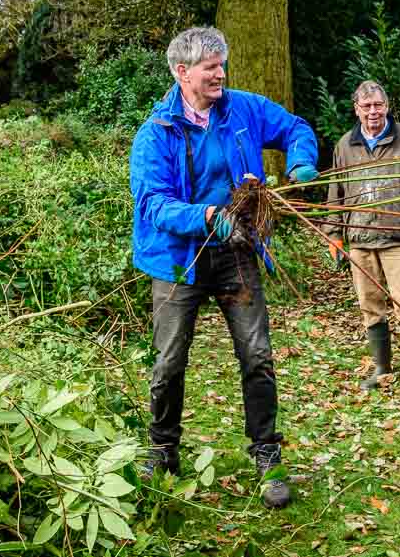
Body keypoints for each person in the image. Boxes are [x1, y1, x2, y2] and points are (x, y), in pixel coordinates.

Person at [129, 26, 319, 509]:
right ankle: (162, 449)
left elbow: (295, 128)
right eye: (211, 66)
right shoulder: (156, 133)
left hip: (237, 252)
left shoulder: (244, 109)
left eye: (222, 64)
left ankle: (267, 456)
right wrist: (208, 217)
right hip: (178, 261)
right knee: (169, 361)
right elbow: (154, 205)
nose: (221, 73)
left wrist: (300, 161)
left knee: (257, 356)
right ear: (182, 72)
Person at [322, 80, 400, 395]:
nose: (373, 112)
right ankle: (382, 368)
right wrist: (334, 235)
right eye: (366, 106)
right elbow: (336, 195)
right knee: (370, 306)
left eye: (378, 105)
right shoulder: (345, 145)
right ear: (357, 110)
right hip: (359, 239)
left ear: (386, 107)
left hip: (398, 238)